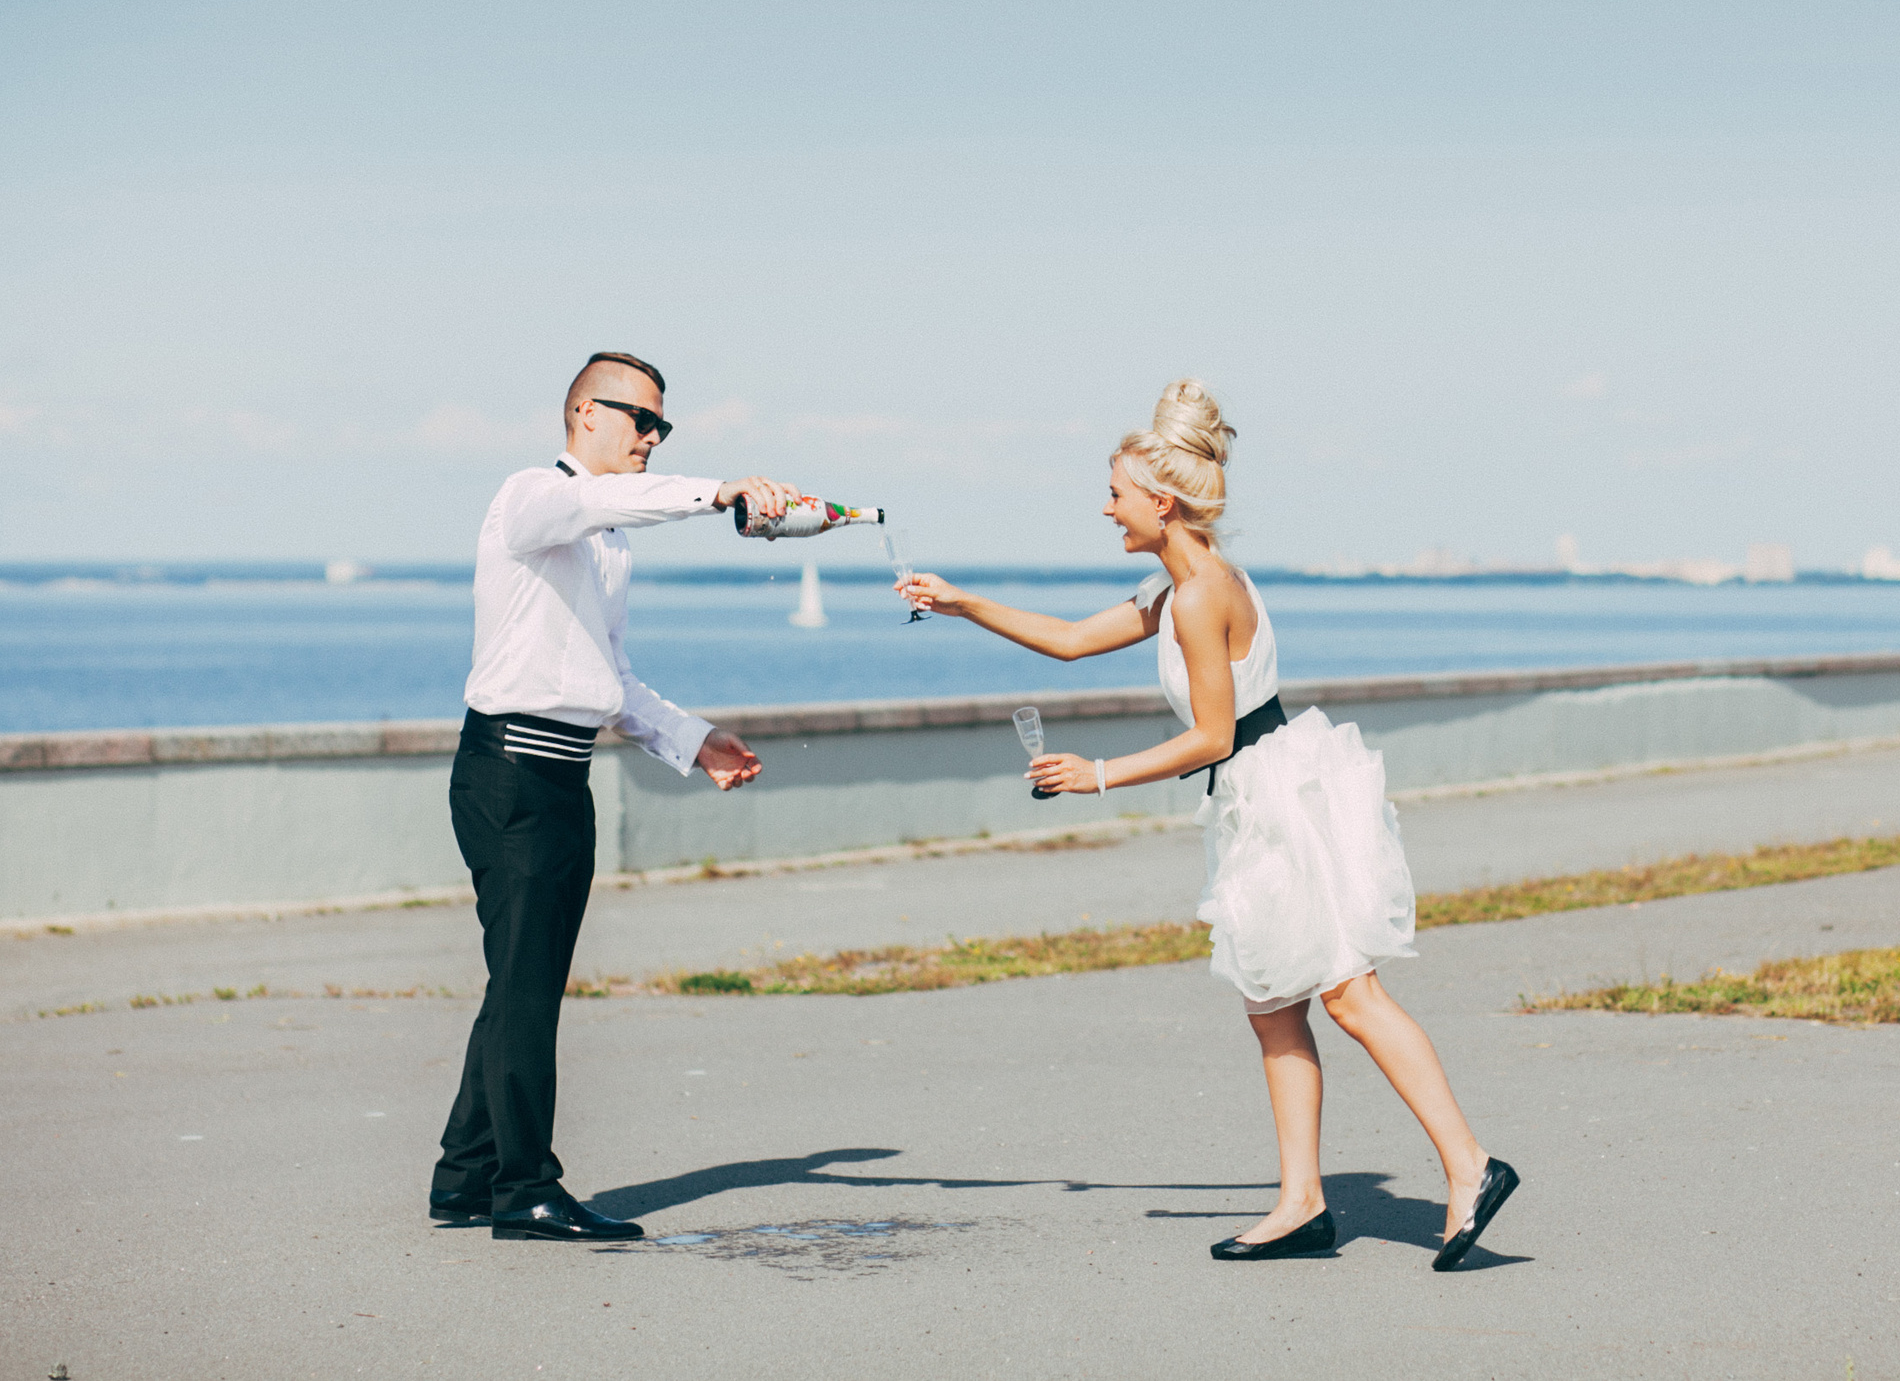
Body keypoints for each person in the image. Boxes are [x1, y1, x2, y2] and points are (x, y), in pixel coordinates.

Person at [898, 379, 1519, 1270]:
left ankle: (1470, 1165)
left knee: (1349, 992)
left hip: (1274, 795)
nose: (1105, 506)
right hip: (1261, 789)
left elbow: (1212, 734)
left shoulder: (1196, 597)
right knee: (1274, 1006)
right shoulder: (1179, 583)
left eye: (1115, 491)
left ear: (1162, 501)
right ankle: (1303, 1202)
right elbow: (1073, 638)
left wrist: (1097, 774)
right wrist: (963, 603)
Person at [429, 350, 801, 1243]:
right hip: (509, 768)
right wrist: (719, 493)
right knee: (526, 987)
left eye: (663, 426)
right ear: (585, 414)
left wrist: (693, 737)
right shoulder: (530, 498)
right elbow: (597, 500)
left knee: (525, 981)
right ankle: (526, 1190)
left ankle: (465, 1176)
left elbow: (611, 678)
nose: (653, 439)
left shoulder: (610, 546)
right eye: (643, 421)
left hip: (562, 773)